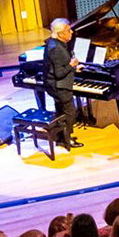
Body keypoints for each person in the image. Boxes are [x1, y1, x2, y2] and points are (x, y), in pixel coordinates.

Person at [42, 18, 82, 148]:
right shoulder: (56, 48)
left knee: (61, 111)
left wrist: (73, 68)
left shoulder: (55, 43)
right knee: (70, 112)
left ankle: (60, 137)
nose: (72, 32)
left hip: (54, 85)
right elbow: (59, 74)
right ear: (60, 34)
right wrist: (72, 65)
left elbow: (59, 65)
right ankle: (67, 139)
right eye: (68, 30)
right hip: (59, 86)